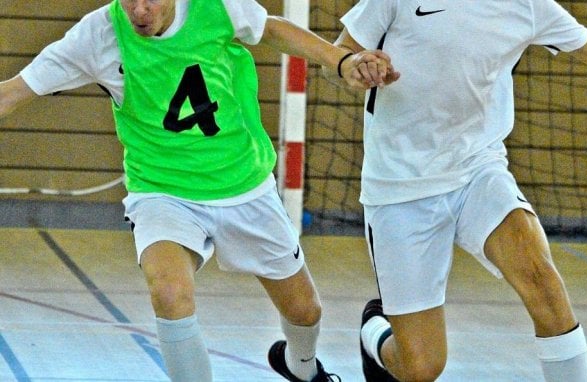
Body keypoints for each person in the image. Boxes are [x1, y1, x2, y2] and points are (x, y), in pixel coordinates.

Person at [0, 1, 392, 381]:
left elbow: (270, 27)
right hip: (162, 191)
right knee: (170, 293)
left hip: (244, 186)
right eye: (129, 0)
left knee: (305, 311)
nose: (139, 10)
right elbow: (14, 91)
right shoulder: (98, 35)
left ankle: (302, 368)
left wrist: (339, 59)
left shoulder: (217, 6)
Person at [322, 0, 587, 381]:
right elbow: (336, 59)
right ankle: (375, 332)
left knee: (540, 278)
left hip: (478, 168)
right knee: (420, 367)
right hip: (400, 185)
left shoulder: (529, 6)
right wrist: (355, 68)